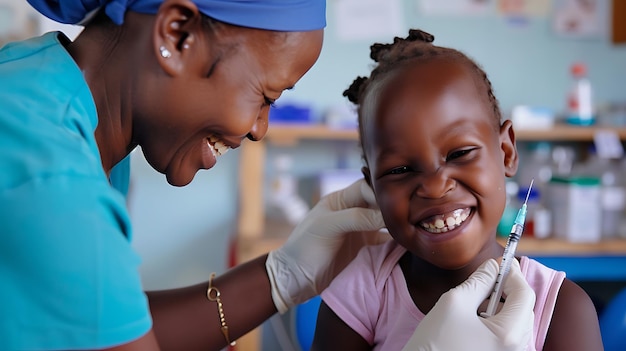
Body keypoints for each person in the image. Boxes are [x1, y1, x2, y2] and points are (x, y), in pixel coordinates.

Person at [0, 0, 535, 349]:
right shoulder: (47, 175)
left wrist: (280, 278)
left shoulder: (53, 105)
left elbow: (100, 327)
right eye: (265, 96)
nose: (260, 130)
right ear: (177, 33)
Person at [312, 29, 603, 351]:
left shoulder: (560, 308)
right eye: (399, 170)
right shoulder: (365, 286)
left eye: (460, 153)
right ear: (373, 186)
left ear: (506, 152)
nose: (435, 188)